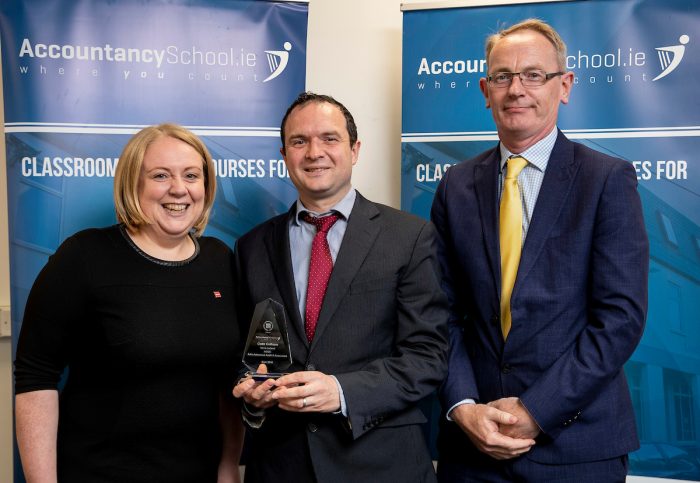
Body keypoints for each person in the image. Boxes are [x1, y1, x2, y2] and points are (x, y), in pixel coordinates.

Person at [432, 19, 649, 482]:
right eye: (502, 77)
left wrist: (537, 409)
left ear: (564, 86)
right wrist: (463, 406)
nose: (516, 90)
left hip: (576, 448)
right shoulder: (455, 186)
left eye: (533, 75)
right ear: (485, 91)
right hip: (473, 448)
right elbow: (439, 312)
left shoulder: (606, 180)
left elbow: (620, 319)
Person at [232, 92, 448, 482]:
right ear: (284, 155)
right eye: (299, 141)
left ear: (355, 149)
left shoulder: (409, 237)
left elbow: (427, 356)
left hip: (381, 465)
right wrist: (252, 394)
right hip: (281, 466)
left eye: (329, 138)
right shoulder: (251, 247)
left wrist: (342, 391)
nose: (314, 152)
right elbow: (244, 354)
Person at [14, 124, 244, 482]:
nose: (179, 188)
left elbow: (229, 382)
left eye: (191, 175)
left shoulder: (221, 260)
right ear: (132, 184)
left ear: (206, 186)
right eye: (160, 175)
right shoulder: (84, 257)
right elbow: (36, 377)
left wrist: (229, 465)